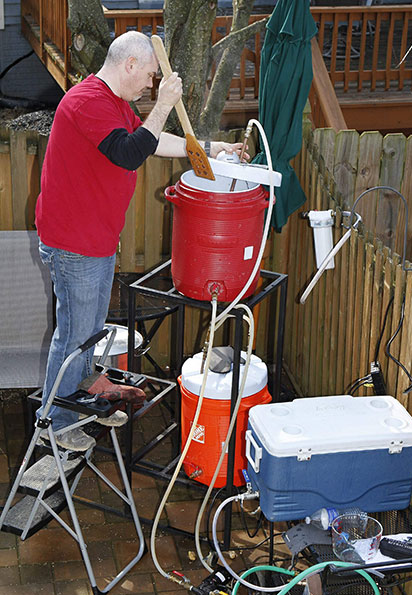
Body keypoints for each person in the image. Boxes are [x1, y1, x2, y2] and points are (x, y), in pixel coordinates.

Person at [35, 31, 247, 451]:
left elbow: (152, 142)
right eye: (150, 75)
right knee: (74, 337)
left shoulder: (114, 103)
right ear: (129, 64)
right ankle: (56, 428)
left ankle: (78, 401)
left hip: (93, 240)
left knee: (87, 333)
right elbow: (130, 151)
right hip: (73, 243)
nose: (151, 85)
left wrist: (210, 146)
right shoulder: (84, 101)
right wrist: (165, 104)